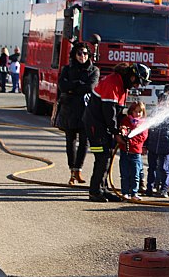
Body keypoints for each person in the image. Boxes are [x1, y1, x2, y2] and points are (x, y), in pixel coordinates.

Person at [84, 62, 151, 202]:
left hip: (103, 126)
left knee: (106, 157)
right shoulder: (113, 83)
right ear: (132, 77)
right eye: (138, 82)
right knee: (102, 157)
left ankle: (103, 189)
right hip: (95, 126)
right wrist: (116, 131)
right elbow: (109, 112)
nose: (137, 86)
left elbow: (118, 112)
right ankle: (95, 191)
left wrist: (123, 126)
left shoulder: (122, 85)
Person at [58, 43, 100, 185]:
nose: (82, 56)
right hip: (69, 109)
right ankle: (71, 172)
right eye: (79, 53)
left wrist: (73, 86)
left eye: (85, 53)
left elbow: (90, 87)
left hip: (86, 110)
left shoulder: (94, 70)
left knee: (84, 142)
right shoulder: (67, 69)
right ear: (74, 55)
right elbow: (62, 86)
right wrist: (78, 85)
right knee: (70, 141)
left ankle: (78, 170)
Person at [145, 92, 169, 198]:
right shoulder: (153, 115)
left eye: (167, 103)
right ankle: (149, 188)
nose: (164, 105)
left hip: (165, 148)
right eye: (162, 102)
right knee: (151, 168)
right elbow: (147, 132)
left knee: (164, 169)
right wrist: (144, 145)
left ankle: (164, 189)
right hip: (152, 147)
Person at [117, 101, 148, 201]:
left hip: (136, 154)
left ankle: (134, 193)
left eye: (140, 112)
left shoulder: (143, 124)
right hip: (124, 152)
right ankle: (125, 192)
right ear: (131, 111)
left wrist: (129, 141)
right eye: (136, 111)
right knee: (124, 174)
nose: (138, 114)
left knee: (135, 174)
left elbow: (142, 137)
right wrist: (123, 132)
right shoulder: (126, 120)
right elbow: (124, 129)